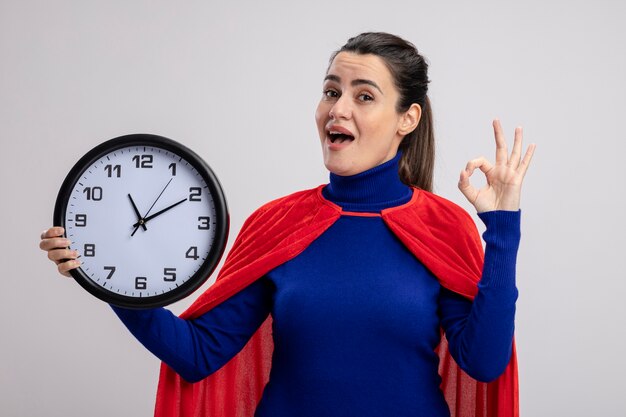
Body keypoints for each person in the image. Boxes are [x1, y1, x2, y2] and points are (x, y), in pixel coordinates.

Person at [40, 32, 535, 417]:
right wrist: (107, 279)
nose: (337, 109)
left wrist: (502, 225)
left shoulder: (442, 225)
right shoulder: (278, 222)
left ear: (407, 119)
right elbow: (197, 353)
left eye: (364, 96)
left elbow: (485, 362)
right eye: (330, 91)